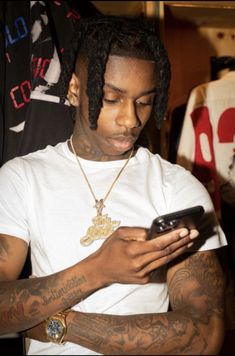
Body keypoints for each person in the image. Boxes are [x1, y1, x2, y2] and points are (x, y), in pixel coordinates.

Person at [0, 14, 227, 355]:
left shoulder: (178, 187)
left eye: (144, 101)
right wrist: (97, 270)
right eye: (111, 98)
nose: (130, 119)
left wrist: (58, 325)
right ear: (75, 89)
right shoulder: (22, 177)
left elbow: (206, 335)